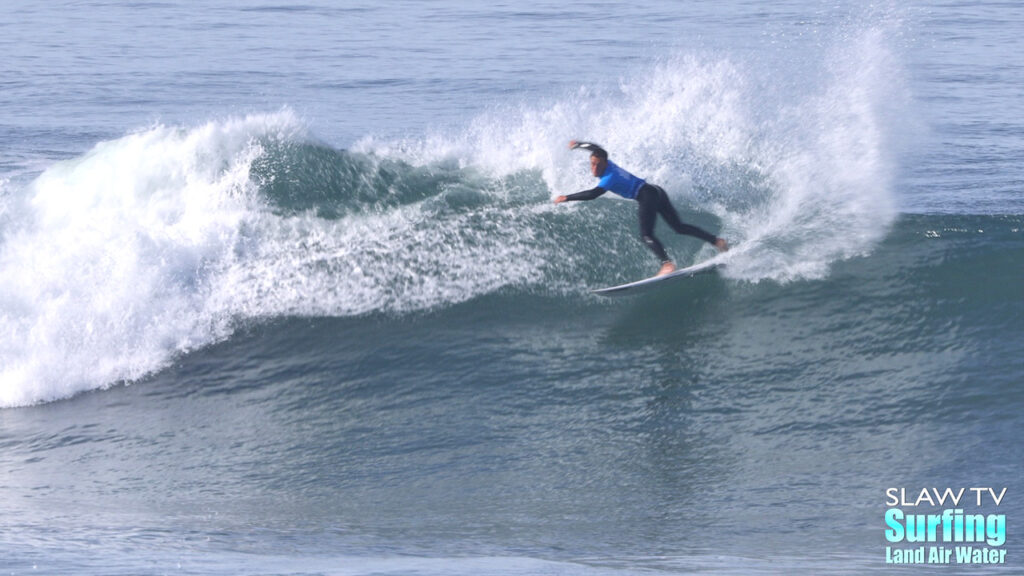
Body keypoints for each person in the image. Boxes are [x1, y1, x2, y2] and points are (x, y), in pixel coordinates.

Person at [554, 141, 728, 276]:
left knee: (646, 235)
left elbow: (593, 194)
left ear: (605, 163)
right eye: (592, 164)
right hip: (656, 191)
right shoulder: (608, 163)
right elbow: (596, 148)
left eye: (598, 165)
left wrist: (567, 197)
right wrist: (578, 145)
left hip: (646, 196)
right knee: (679, 227)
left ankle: (667, 264)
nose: (594, 168)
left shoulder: (609, 177)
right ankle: (717, 241)